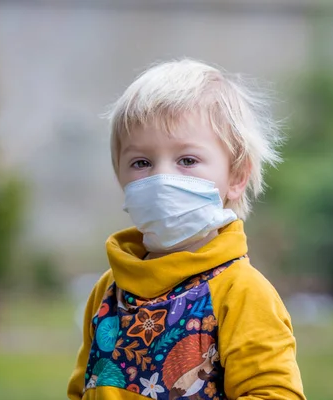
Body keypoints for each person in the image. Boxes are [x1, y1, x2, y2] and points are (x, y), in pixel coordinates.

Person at [67, 59, 305, 400]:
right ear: (120, 176)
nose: (162, 178)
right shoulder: (107, 292)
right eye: (141, 162)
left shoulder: (241, 292)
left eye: (187, 160)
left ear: (237, 175)